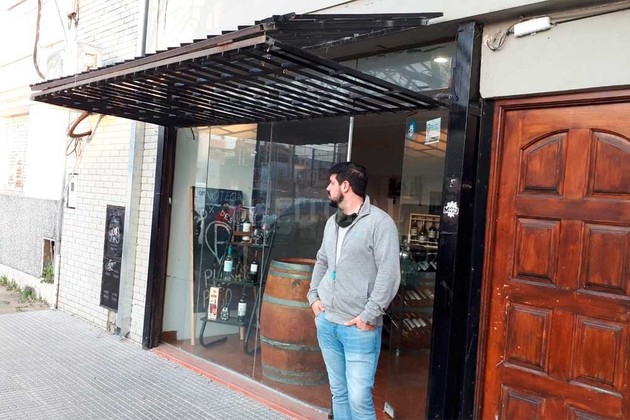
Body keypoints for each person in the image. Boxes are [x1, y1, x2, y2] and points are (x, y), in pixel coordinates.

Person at [307, 162, 401, 420]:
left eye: (332, 183)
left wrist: (368, 315)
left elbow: (389, 274)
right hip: (327, 321)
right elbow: (322, 260)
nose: (328, 188)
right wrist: (313, 297)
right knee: (339, 393)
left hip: (359, 327)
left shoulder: (380, 224)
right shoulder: (332, 223)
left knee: (359, 399)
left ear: (345, 186)